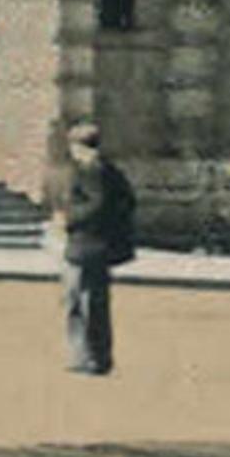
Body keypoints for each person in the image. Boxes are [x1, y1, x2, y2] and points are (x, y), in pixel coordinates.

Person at [54, 121, 136, 375]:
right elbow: (127, 202)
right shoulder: (109, 170)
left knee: (81, 302)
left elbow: (96, 205)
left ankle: (88, 357)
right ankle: (95, 356)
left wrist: (68, 219)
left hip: (86, 245)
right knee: (90, 303)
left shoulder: (93, 170)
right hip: (96, 245)